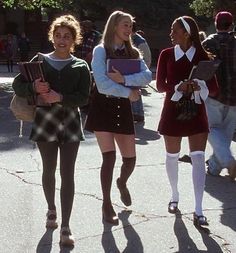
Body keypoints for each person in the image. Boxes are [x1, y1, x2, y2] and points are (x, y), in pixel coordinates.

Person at [12, 15, 91, 247]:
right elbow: (18, 85)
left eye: (67, 36)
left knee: (68, 174)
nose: (61, 40)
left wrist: (61, 97)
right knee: (49, 169)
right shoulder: (40, 60)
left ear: (73, 39)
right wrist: (33, 87)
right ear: (52, 37)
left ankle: (66, 226)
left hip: (70, 122)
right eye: (58, 35)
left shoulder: (80, 65)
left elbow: (85, 97)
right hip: (45, 119)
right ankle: (51, 210)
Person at [85, 10, 152, 225]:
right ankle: (106, 204)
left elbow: (147, 75)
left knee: (130, 160)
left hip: (122, 109)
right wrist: (128, 92)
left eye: (130, 25)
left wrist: (124, 78)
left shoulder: (132, 51)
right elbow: (102, 84)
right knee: (109, 157)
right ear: (114, 26)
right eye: (125, 25)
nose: (129, 29)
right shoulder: (100, 50)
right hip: (102, 107)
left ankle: (122, 182)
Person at [156, 16, 218, 226]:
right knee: (172, 156)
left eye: (175, 30)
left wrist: (200, 85)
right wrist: (178, 86)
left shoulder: (202, 55)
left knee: (198, 157)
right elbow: (160, 85)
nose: (171, 33)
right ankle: (174, 195)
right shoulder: (166, 54)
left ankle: (199, 209)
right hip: (172, 110)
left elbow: (215, 88)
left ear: (187, 33)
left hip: (196, 111)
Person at [202, 11, 236, 181]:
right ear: (231, 25)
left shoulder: (208, 42)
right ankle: (214, 168)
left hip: (214, 94)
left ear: (216, 24)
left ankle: (228, 161)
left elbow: (202, 68)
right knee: (226, 135)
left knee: (211, 129)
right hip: (234, 97)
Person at [131, 23, 152, 123]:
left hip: (137, 71)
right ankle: (135, 113)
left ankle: (138, 113)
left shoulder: (139, 41)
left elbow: (146, 58)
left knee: (135, 91)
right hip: (131, 71)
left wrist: (142, 73)